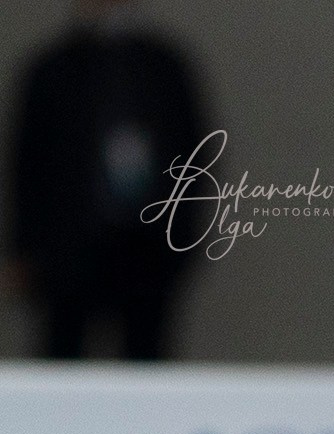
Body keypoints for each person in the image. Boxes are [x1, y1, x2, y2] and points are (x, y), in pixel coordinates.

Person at [5, 0, 210, 361]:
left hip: (148, 244)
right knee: (63, 354)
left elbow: (195, 156)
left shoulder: (164, 66)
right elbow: (29, 167)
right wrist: (25, 248)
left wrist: (182, 236)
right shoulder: (53, 68)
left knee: (145, 357)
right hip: (67, 247)